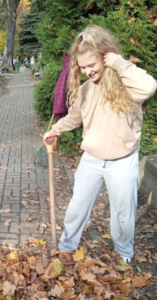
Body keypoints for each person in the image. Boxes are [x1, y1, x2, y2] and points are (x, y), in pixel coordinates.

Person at [43, 25, 157, 263]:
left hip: (122, 162)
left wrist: (118, 62)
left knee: (123, 216)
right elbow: (74, 117)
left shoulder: (126, 83)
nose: (87, 71)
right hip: (92, 160)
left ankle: (123, 255)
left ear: (106, 56)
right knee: (76, 208)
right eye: (82, 67)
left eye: (91, 65)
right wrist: (53, 131)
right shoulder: (85, 90)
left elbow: (149, 87)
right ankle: (66, 247)